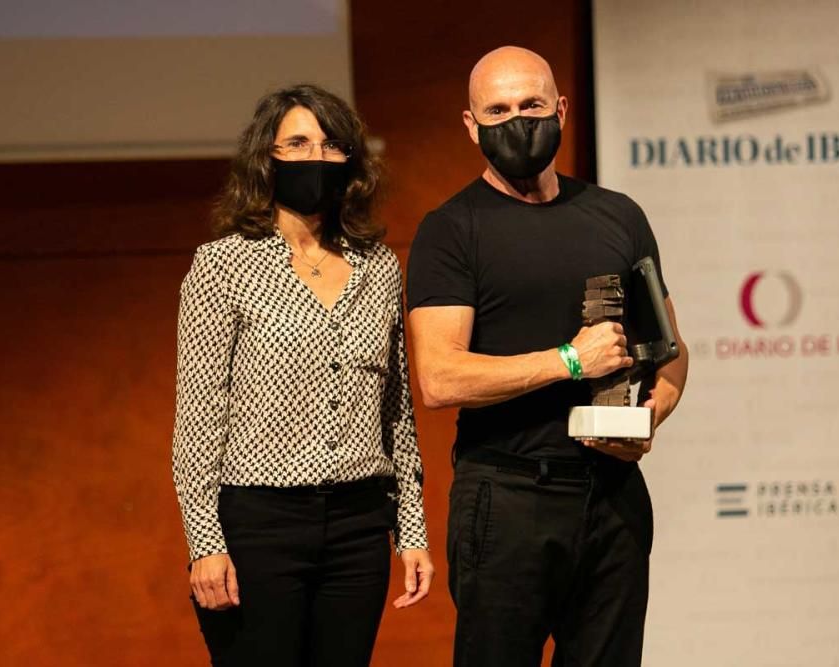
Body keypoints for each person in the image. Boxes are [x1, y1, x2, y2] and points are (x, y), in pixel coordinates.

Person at [406, 47, 689, 667]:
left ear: (560, 109)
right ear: (470, 124)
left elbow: (671, 352)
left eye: (531, 105)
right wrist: (568, 360)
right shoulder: (452, 230)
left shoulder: (618, 215)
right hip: (506, 499)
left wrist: (649, 418)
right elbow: (438, 375)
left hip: (613, 499)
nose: (518, 122)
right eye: (498, 110)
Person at [171, 84, 434, 667]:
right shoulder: (223, 264)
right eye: (298, 143)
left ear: (351, 162)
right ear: (267, 157)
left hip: (358, 529)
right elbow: (198, 419)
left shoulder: (379, 267)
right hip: (259, 527)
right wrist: (205, 544)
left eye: (331, 145)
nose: (315, 157)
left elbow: (397, 414)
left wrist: (411, 529)